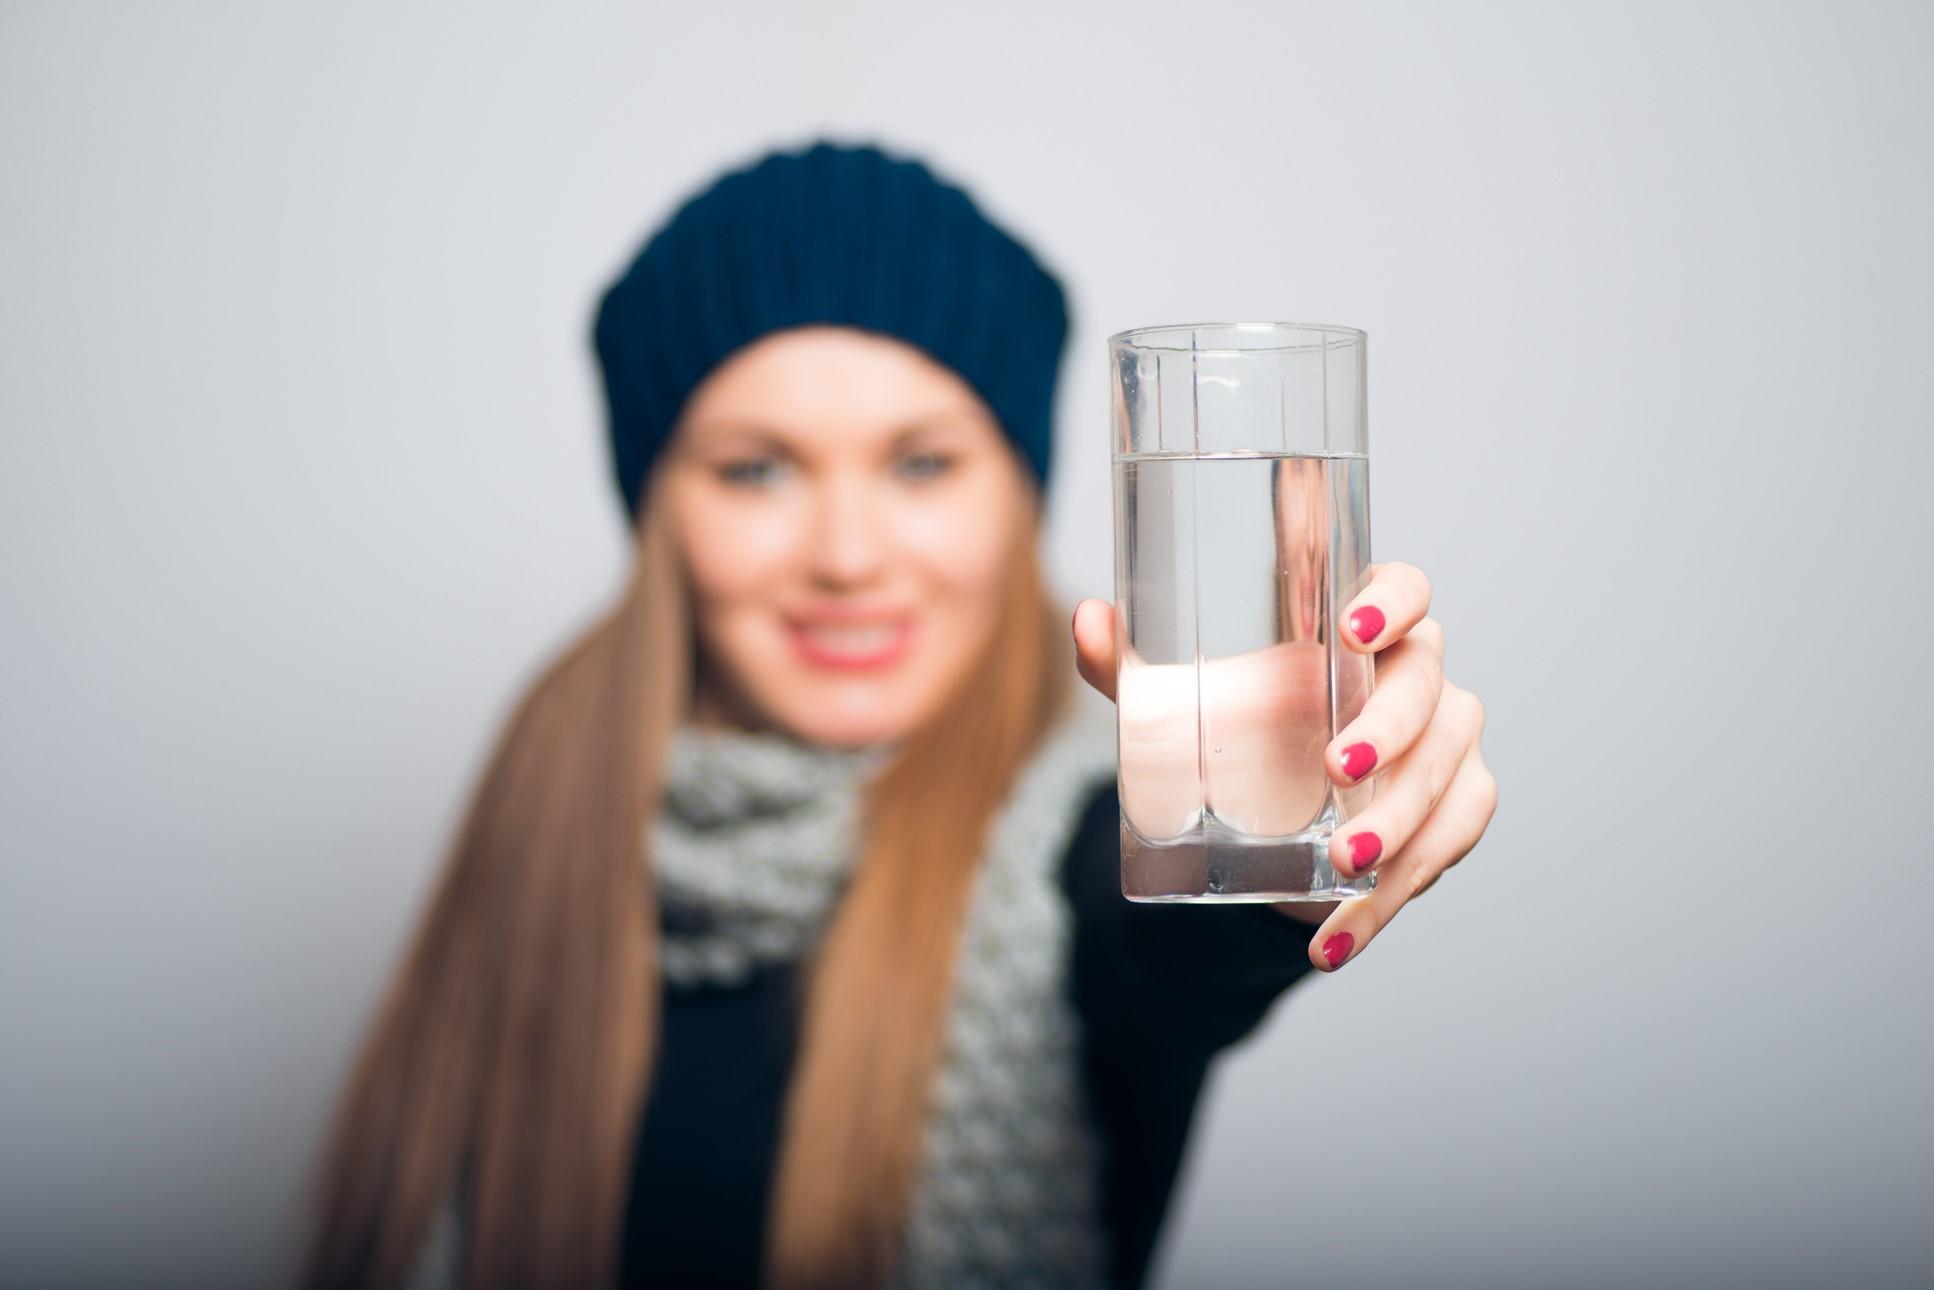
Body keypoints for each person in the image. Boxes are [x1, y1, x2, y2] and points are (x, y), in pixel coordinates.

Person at [297, 140, 1496, 1290]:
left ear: (1018, 496)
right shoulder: (548, 788)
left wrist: (1291, 839)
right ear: (656, 508)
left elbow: (1173, 935)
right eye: (754, 469)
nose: (848, 554)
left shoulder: (1088, 841)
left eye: (921, 464)